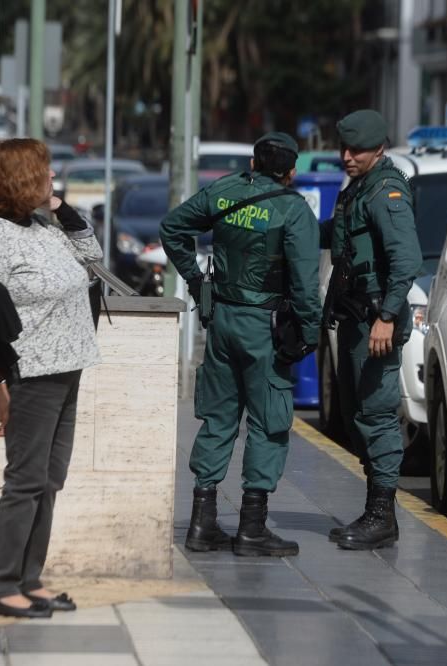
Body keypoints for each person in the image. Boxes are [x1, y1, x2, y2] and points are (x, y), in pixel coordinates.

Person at [159, 132, 320, 557]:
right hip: (264, 327)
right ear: (291, 171)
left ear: (253, 162)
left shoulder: (224, 192)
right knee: (268, 420)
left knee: (218, 418)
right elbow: (305, 285)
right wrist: (311, 332)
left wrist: (197, 282)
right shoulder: (293, 209)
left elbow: (172, 227)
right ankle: (252, 528)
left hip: (222, 321)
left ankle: (201, 523)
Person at [0, 138, 103, 618]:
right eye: (45, 172)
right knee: (25, 481)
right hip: (31, 372)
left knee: (50, 479)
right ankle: (1, 584)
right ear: (23, 177)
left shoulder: (43, 227)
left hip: (68, 368)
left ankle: (30, 578)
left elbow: (93, 257)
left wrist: (61, 207)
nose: (52, 179)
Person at [322, 109, 421, 551]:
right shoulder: (359, 188)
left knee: (377, 416)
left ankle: (381, 516)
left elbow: (406, 261)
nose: (346, 156)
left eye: (355, 150)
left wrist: (387, 317)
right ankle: (376, 508)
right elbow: (342, 242)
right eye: (343, 148)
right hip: (355, 319)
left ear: (379, 148)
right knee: (354, 415)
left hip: (375, 323)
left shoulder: (387, 191)